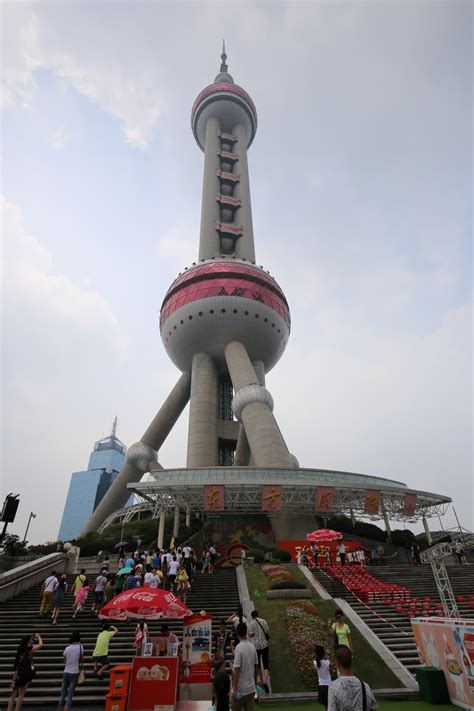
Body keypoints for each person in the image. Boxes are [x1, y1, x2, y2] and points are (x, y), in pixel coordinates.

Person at [328, 646, 377, 711]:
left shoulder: (333, 687)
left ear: (337, 663)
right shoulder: (366, 686)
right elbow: (373, 708)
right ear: (351, 661)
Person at [7, 633, 43, 711]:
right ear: (28, 641)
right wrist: (39, 637)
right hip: (26, 672)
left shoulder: (20, 648)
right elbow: (41, 645)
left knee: (13, 693)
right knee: (21, 693)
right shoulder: (29, 648)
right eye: (30, 639)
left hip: (18, 672)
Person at [231, 622, 258, 711]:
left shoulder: (239, 648)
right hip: (251, 689)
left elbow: (237, 669)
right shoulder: (252, 646)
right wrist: (254, 682)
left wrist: (235, 689)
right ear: (246, 632)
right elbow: (256, 666)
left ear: (237, 633)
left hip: (241, 690)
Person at [57, 631, 83, 711]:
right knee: (70, 694)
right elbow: (81, 659)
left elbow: (64, 661)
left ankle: (60, 708)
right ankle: (66, 708)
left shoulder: (67, 648)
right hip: (74, 672)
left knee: (63, 693)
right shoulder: (80, 647)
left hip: (66, 672)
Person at [248, 609, 270, 693]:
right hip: (264, 645)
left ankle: (260, 680)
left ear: (252, 616)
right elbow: (267, 631)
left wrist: (254, 634)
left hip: (256, 647)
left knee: (258, 664)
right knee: (266, 663)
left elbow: (250, 634)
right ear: (258, 614)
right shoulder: (263, 621)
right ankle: (264, 681)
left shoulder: (252, 623)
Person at [313, 644, 332, 711]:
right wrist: (326, 656)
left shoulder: (315, 663)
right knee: (331, 706)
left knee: (326, 707)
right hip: (329, 685)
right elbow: (329, 666)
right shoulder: (327, 662)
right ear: (323, 653)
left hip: (321, 686)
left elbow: (318, 661)